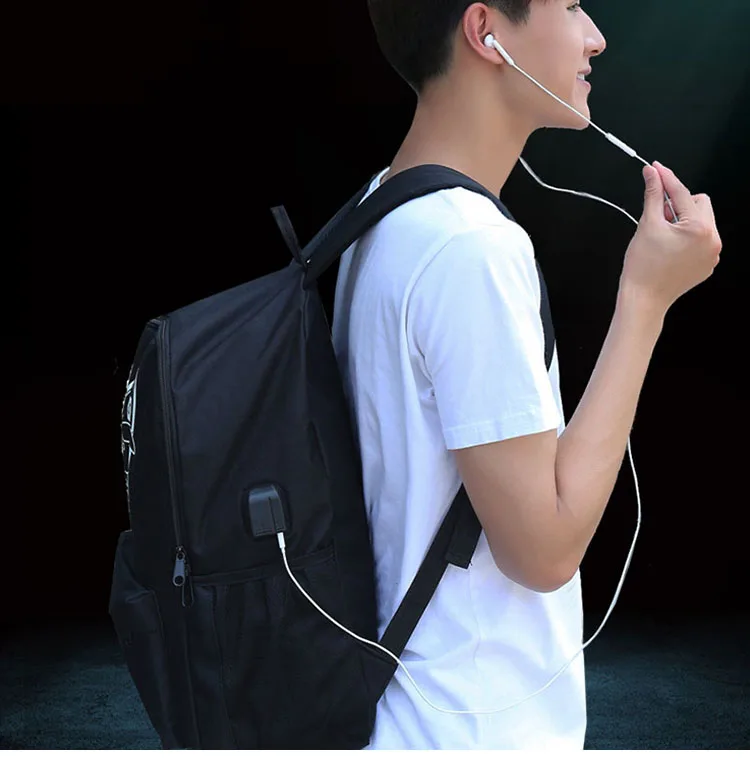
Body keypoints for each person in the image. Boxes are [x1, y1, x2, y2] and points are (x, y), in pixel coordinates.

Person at [330, 0, 722, 750]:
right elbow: (544, 550)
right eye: (570, 5)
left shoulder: (384, 206)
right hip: (470, 731)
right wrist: (645, 300)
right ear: (487, 33)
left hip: (409, 717)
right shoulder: (470, 248)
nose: (595, 37)